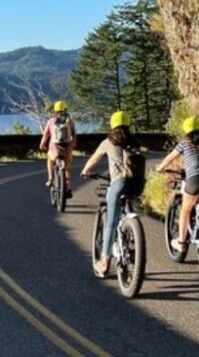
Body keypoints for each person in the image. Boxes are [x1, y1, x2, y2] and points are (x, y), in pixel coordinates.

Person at [80, 110, 140, 276]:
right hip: (136, 184)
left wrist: (86, 171)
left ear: (112, 125)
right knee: (129, 208)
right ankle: (132, 236)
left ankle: (104, 262)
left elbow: (94, 159)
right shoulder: (134, 142)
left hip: (118, 183)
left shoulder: (109, 142)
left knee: (111, 224)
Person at [156, 115, 199, 251]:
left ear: (185, 130)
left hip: (194, 180)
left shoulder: (185, 143)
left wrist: (160, 168)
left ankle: (182, 243)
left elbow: (171, 157)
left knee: (185, 209)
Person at [39, 100, 77, 197]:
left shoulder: (51, 121)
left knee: (49, 160)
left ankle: (51, 178)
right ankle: (68, 188)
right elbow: (73, 134)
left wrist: (42, 145)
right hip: (67, 147)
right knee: (67, 168)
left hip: (55, 147)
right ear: (65, 109)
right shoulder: (70, 121)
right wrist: (73, 144)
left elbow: (46, 135)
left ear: (55, 110)